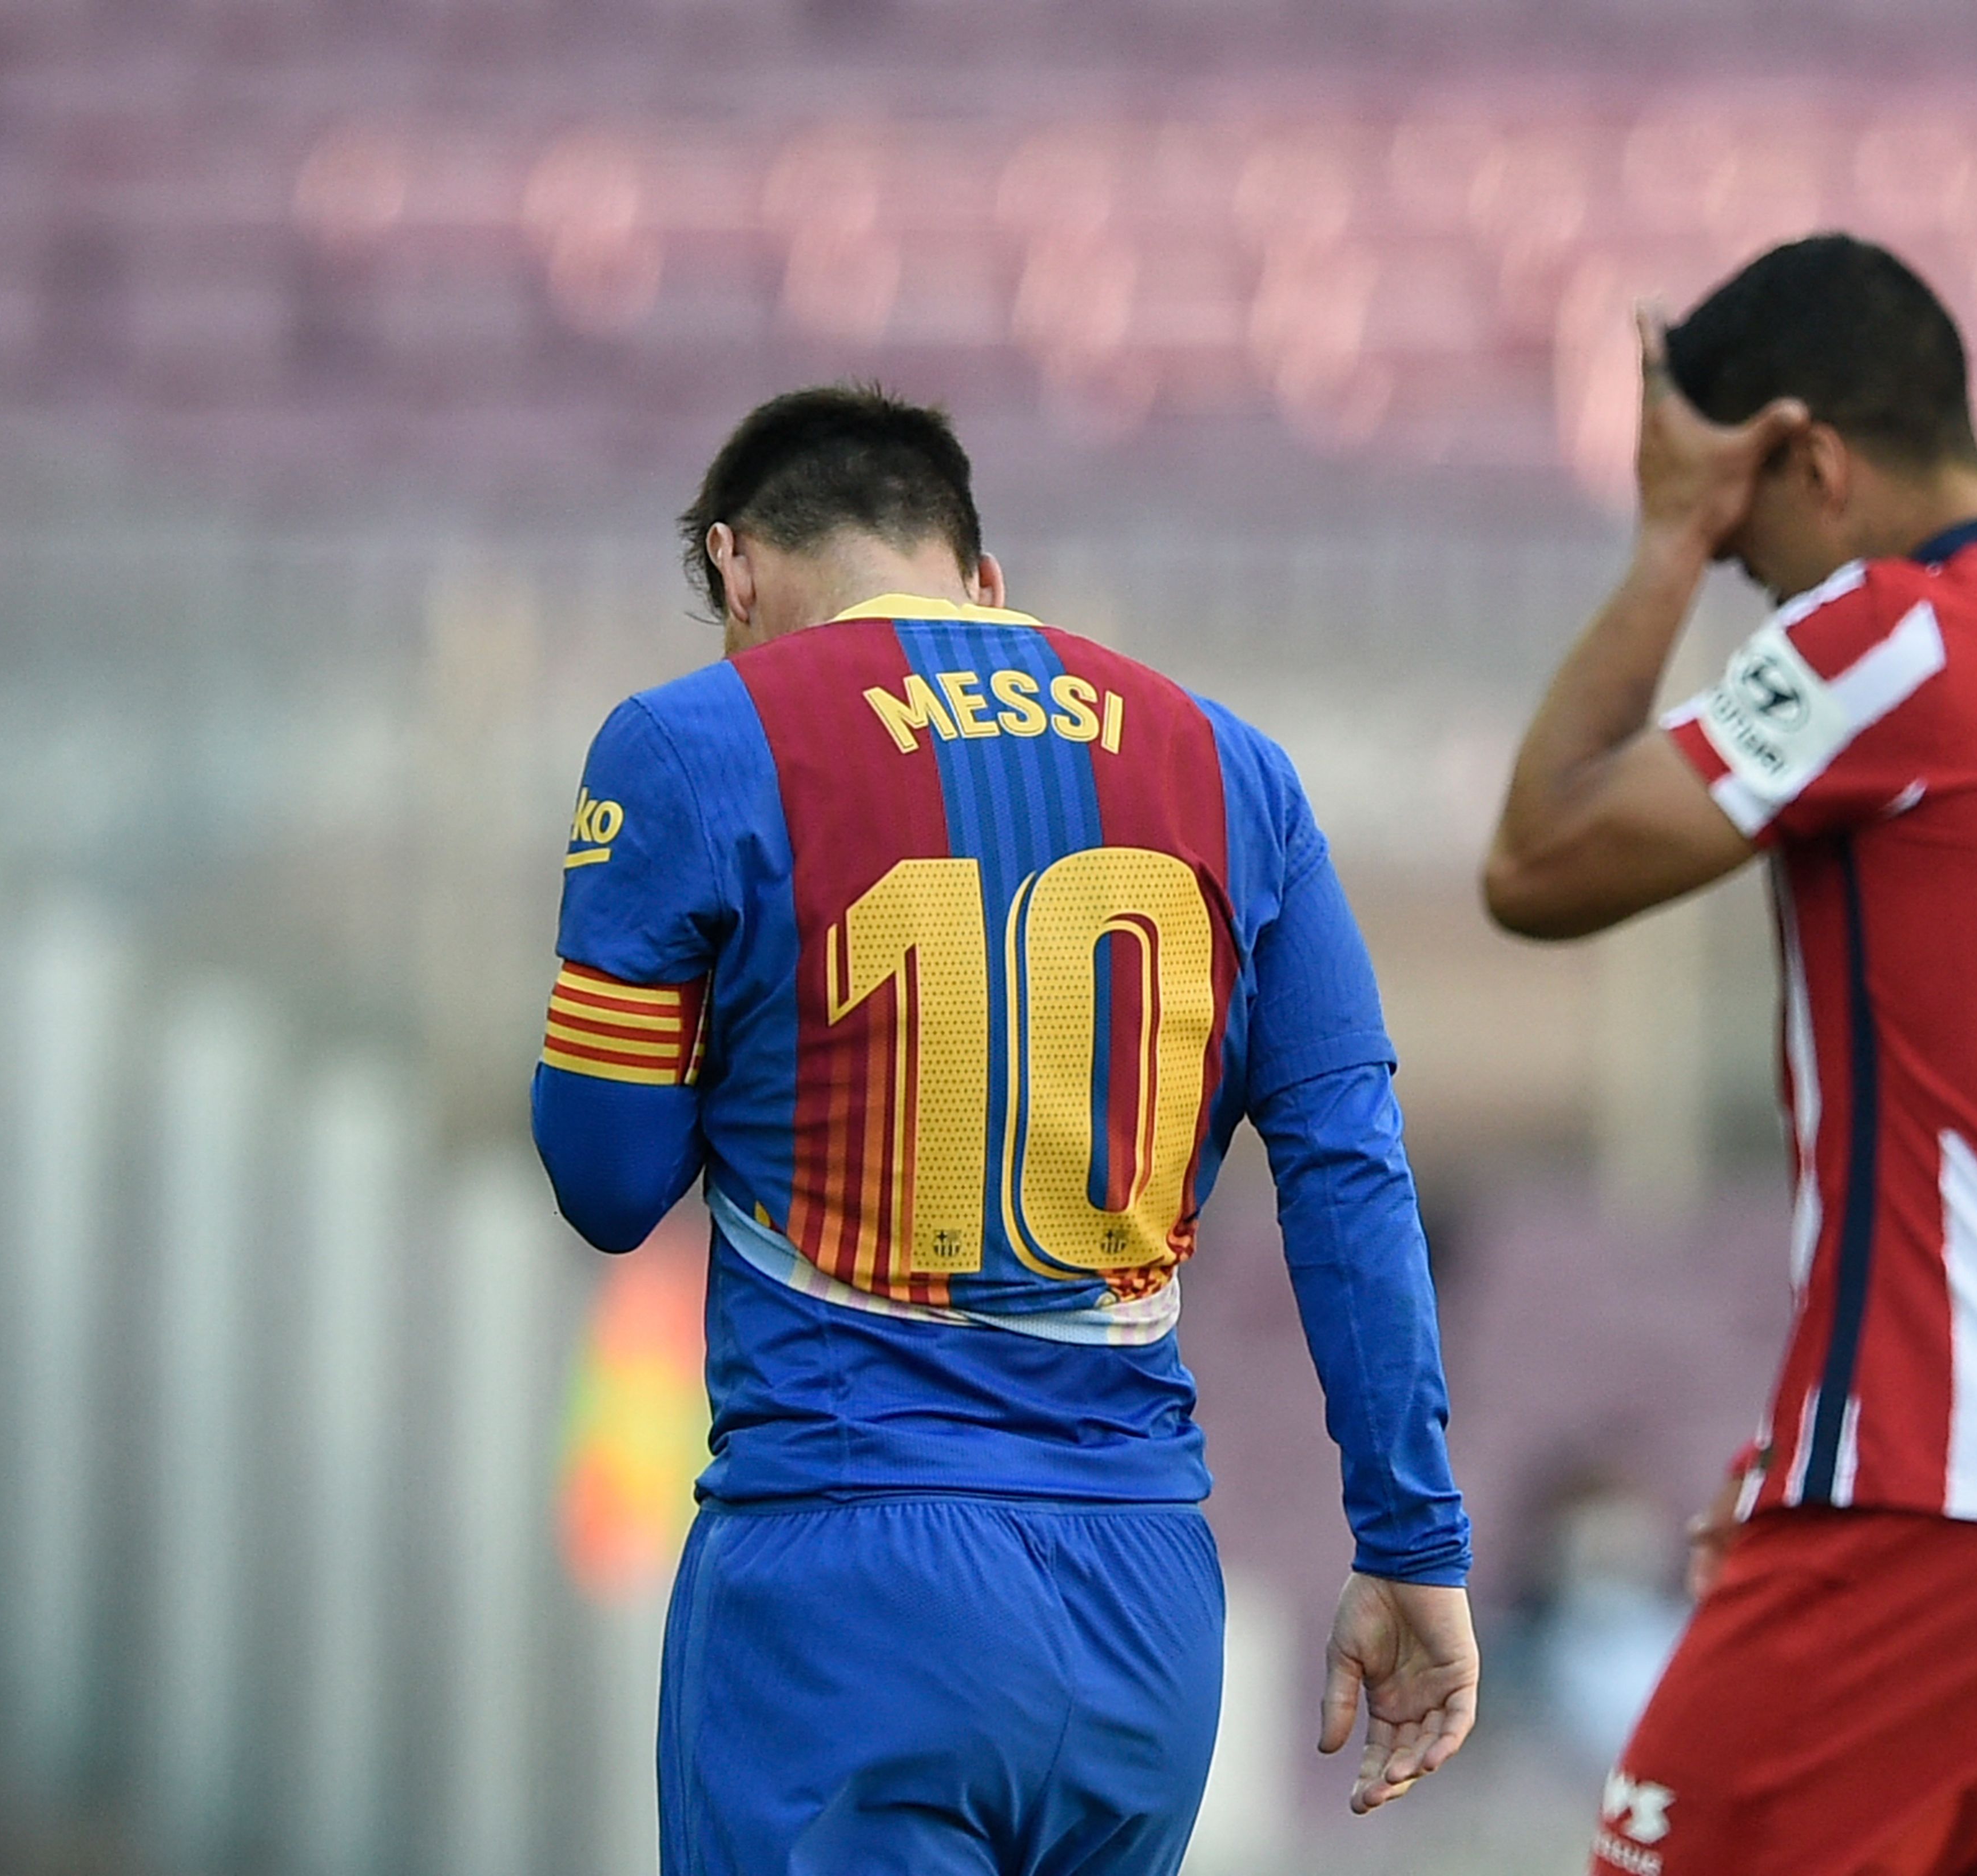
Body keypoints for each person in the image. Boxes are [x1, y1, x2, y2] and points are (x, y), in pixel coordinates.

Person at [531, 385, 1478, 1875]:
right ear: (979, 572)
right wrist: (1412, 1539)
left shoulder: (692, 742)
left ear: (736, 567)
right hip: (1144, 1603)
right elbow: (1349, 1176)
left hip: (846, 1573)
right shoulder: (1234, 769)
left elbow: (605, 1179)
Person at [1484, 236, 1977, 1876]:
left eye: (1750, 536)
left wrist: (1660, 539)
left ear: (1809, 460)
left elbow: (1542, 858)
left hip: (1954, 1491)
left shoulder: (1907, 637)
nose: (1758, 591)